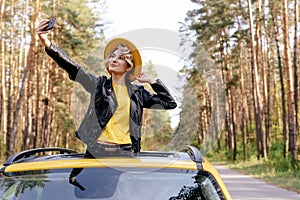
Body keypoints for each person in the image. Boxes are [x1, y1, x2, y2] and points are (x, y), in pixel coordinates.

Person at [35, 19, 177, 155]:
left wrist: (153, 82)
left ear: (128, 66)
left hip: (126, 152)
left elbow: (169, 103)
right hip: (97, 151)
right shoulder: (99, 85)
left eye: (121, 58)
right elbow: (74, 69)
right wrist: (47, 43)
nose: (114, 59)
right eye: (113, 56)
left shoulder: (138, 93)